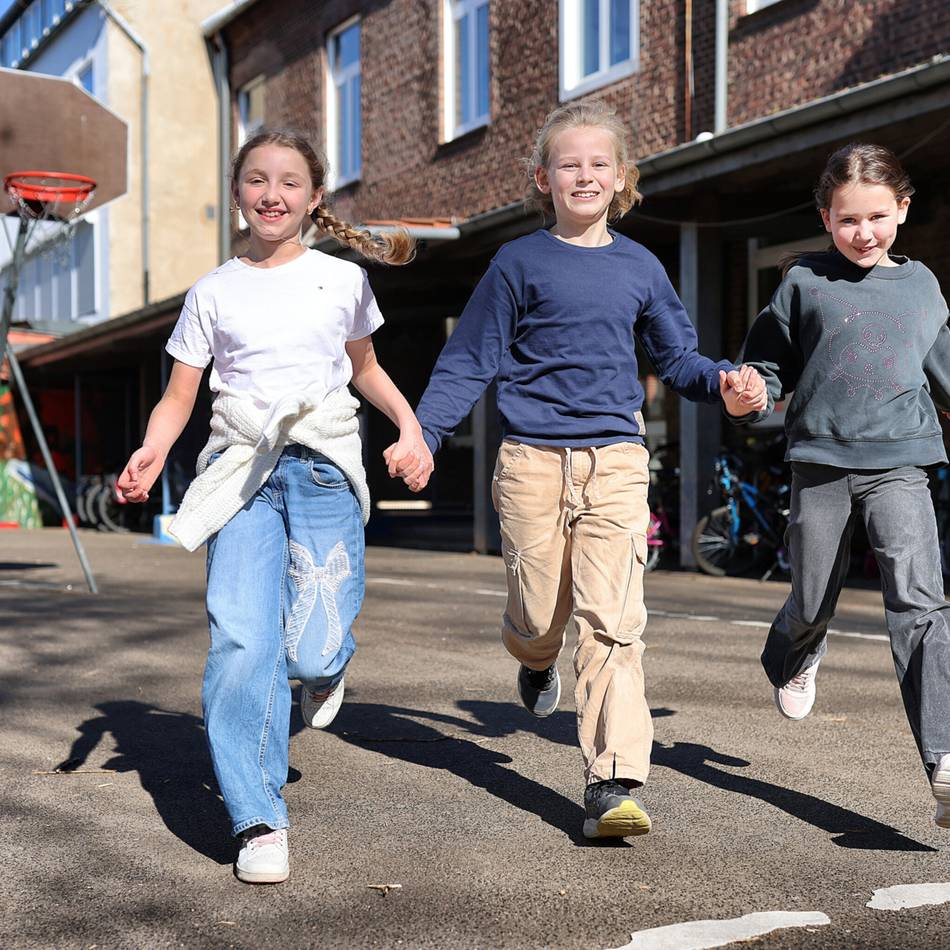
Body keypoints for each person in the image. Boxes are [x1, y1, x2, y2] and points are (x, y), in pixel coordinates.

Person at [410, 99, 766, 840]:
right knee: (541, 616)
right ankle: (535, 661)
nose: (584, 175)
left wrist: (725, 382)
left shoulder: (640, 265)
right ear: (543, 178)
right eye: (569, 163)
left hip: (615, 460)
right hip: (532, 461)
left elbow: (676, 358)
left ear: (622, 177)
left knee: (613, 624)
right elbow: (470, 357)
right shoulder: (517, 262)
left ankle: (613, 782)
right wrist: (425, 433)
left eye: (599, 163)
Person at [116, 128, 433, 883]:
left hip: (322, 465)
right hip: (239, 470)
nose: (271, 193)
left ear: (314, 198)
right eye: (256, 180)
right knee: (241, 641)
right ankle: (257, 817)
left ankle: (326, 670)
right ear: (236, 196)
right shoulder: (212, 292)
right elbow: (180, 396)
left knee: (314, 646)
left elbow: (366, 370)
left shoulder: (342, 282)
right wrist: (153, 449)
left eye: (288, 181)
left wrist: (411, 427)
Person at [729, 142, 950, 829]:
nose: (864, 232)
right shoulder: (803, 283)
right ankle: (796, 653)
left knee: (920, 606)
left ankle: (944, 759)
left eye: (878, 217)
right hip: (820, 461)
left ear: (903, 210)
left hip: (901, 461)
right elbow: (765, 364)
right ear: (826, 217)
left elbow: (944, 368)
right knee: (812, 599)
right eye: (848, 219)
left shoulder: (922, 287)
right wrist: (748, 393)